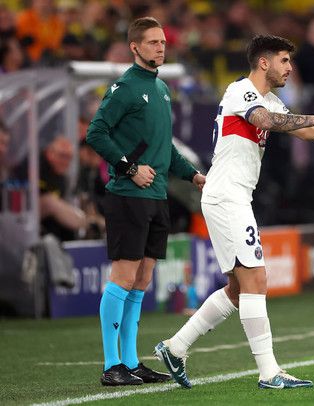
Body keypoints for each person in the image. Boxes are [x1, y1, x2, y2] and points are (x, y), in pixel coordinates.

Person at [154, 34, 314, 390]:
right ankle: (269, 372)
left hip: (234, 196)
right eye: (284, 60)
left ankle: (175, 348)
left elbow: (306, 132)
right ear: (264, 62)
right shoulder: (241, 91)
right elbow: (267, 121)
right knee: (257, 280)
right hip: (226, 196)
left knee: (238, 289)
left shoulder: (269, 99)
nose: (290, 68)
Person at [86, 17, 206, 386]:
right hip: (128, 195)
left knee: (141, 279)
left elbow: (165, 148)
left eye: (163, 42)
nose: (160, 47)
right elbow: (96, 133)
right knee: (124, 277)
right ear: (135, 47)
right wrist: (129, 167)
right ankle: (112, 366)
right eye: (153, 42)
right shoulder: (124, 88)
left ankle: (130, 361)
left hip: (157, 197)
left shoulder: (162, 89)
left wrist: (193, 176)